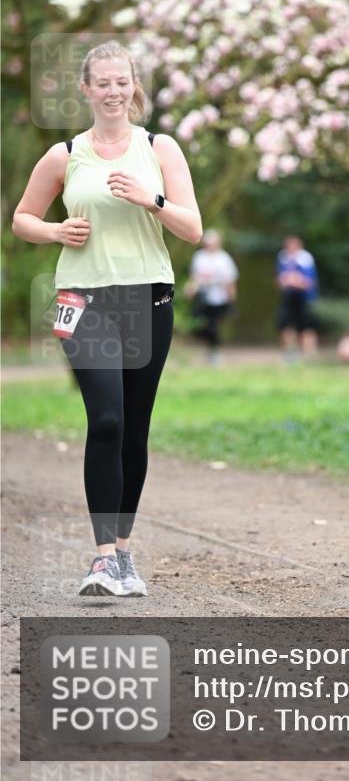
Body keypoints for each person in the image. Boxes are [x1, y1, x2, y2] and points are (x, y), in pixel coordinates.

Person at [12, 40, 202, 597]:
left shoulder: (159, 147)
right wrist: (54, 231)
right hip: (82, 300)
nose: (115, 91)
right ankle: (100, 560)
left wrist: (153, 200)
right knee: (108, 421)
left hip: (148, 300)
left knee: (135, 428)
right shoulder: (65, 154)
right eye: (104, 82)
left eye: (124, 81)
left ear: (133, 86)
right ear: (87, 90)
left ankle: (122, 554)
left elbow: (192, 229)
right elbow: (23, 217)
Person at [186, 228, 238, 364]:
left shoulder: (224, 258)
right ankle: (210, 349)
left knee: (213, 325)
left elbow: (230, 280)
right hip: (203, 296)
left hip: (219, 297)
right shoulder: (199, 257)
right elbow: (194, 277)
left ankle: (214, 352)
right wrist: (190, 289)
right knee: (202, 325)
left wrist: (232, 299)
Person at [276, 235, 319, 358]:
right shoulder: (283, 258)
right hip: (288, 298)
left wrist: (295, 282)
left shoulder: (306, 259)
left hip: (304, 299)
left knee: (306, 326)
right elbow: (279, 279)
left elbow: (310, 283)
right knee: (285, 325)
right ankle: (289, 353)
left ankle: (308, 354)